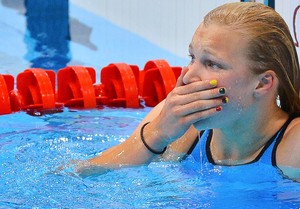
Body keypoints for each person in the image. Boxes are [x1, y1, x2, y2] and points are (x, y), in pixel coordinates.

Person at [75, 2, 300, 181]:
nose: (189, 76)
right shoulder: (178, 124)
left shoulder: (293, 148)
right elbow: (78, 175)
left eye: (212, 64)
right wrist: (156, 136)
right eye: (192, 58)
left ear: (262, 83)